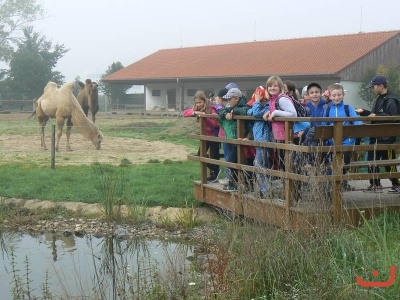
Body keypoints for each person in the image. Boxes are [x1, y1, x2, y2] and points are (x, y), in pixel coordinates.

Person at [356, 75, 400, 193]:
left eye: (373, 86)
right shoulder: (379, 99)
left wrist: (376, 116)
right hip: (375, 135)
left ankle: (397, 184)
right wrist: (364, 113)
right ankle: (375, 184)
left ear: (381, 86)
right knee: (372, 160)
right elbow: (374, 115)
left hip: (387, 137)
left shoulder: (391, 100)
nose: (372, 89)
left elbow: (394, 118)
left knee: (388, 162)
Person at [322, 83, 363, 191]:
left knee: (345, 159)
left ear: (343, 95)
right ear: (330, 96)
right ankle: (336, 183)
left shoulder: (347, 108)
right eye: (334, 95)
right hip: (332, 141)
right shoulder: (327, 110)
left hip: (347, 140)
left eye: (339, 95)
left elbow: (356, 120)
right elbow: (324, 124)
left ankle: (342, 181)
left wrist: (358, 129)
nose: (336, 97)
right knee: (333, 161)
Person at [183, 91, 221, 182]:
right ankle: (215, 170)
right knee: (200, 154)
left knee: (214, 156)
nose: (198, 104)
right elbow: (185, 113)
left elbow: (216, 123)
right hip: (204, 135)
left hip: (213, 135)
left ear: (204, 101)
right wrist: (195, 112)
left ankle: (214, 173)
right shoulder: (198, 109)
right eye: (196, 103)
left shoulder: (211, 108)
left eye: (200, 102)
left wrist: (206, 116)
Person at [218, 87, 251, 191]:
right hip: (237, 140)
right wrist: (225, 114)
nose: (228, 102)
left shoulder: (244, 107)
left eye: (229, 99)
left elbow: (245, 111)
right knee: (234, 162)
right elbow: (220, 111)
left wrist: (233, 111)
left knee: (239, 162)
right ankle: (235, 184)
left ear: (236, 98)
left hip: (244, 139)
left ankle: (238, 184)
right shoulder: (232, 107)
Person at [262, 76, 297, 172]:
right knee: (282, 163)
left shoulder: (282, 99)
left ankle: (291, 186)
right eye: (270, 86)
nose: (272, 88)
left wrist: (275, 113)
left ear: (280, 87)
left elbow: (293, 114)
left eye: (275, 86)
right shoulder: (273, 99)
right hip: (280, 137)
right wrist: (269, 112)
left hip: (287, 136)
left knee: (287, 164)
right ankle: (285, 185)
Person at [247, 85, 272, 196]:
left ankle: (265, 190)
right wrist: (256, 103)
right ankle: (264, 189)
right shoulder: (259, 106)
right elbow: (249, 112)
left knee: (260, 164)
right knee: (260, 163)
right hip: (258, 138)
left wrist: (257, 102)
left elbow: (256, 114)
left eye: (256, 101)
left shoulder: (267, 106)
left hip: (264, 138)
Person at [215, 88, 230, 185]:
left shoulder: (226, 107)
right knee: (227, 156)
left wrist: (217, 104)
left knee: (228, 157)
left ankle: (229, 177)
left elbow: (220, 112)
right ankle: (229, 177)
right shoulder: (226, 107)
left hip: (227, 135)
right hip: (226, 135)